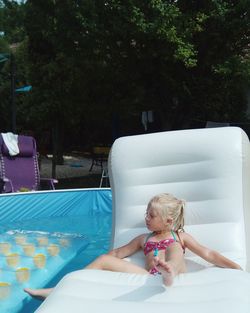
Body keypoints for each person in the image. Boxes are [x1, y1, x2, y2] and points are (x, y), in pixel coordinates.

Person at [24, 193, 242, 299]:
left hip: (174, 270)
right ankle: (61, 288)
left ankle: (170, 272)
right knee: (103, 259)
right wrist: (106, 260)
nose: (146, 218)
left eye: (151, 215)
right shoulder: (143, 239)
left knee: (175, 250)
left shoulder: (180, 235)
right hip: (149, 273)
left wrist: (236, 268)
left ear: (168, 221)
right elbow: (119, 253)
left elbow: (207, 253)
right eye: (146, 213)